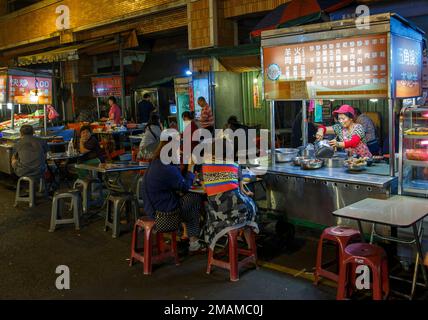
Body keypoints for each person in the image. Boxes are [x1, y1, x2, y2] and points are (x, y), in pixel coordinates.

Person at [141, 140, 204, 252]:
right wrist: (190, 168)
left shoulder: (157, 163)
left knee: (187, 204)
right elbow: (184, 186)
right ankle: (194, 241)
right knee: (194, 199)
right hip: (163, 218)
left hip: (152, 211)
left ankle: (188, 236)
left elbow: (176, 180)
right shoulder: (166, 169)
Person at [201, 139, 259, 251]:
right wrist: (248, 193)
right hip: (236, 214)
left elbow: (205, 188)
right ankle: (250, 245)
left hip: (217, 215)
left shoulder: (205, 167)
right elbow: (241, 191)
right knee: (251, 207)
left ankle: (237, 235)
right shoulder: (235, 166)